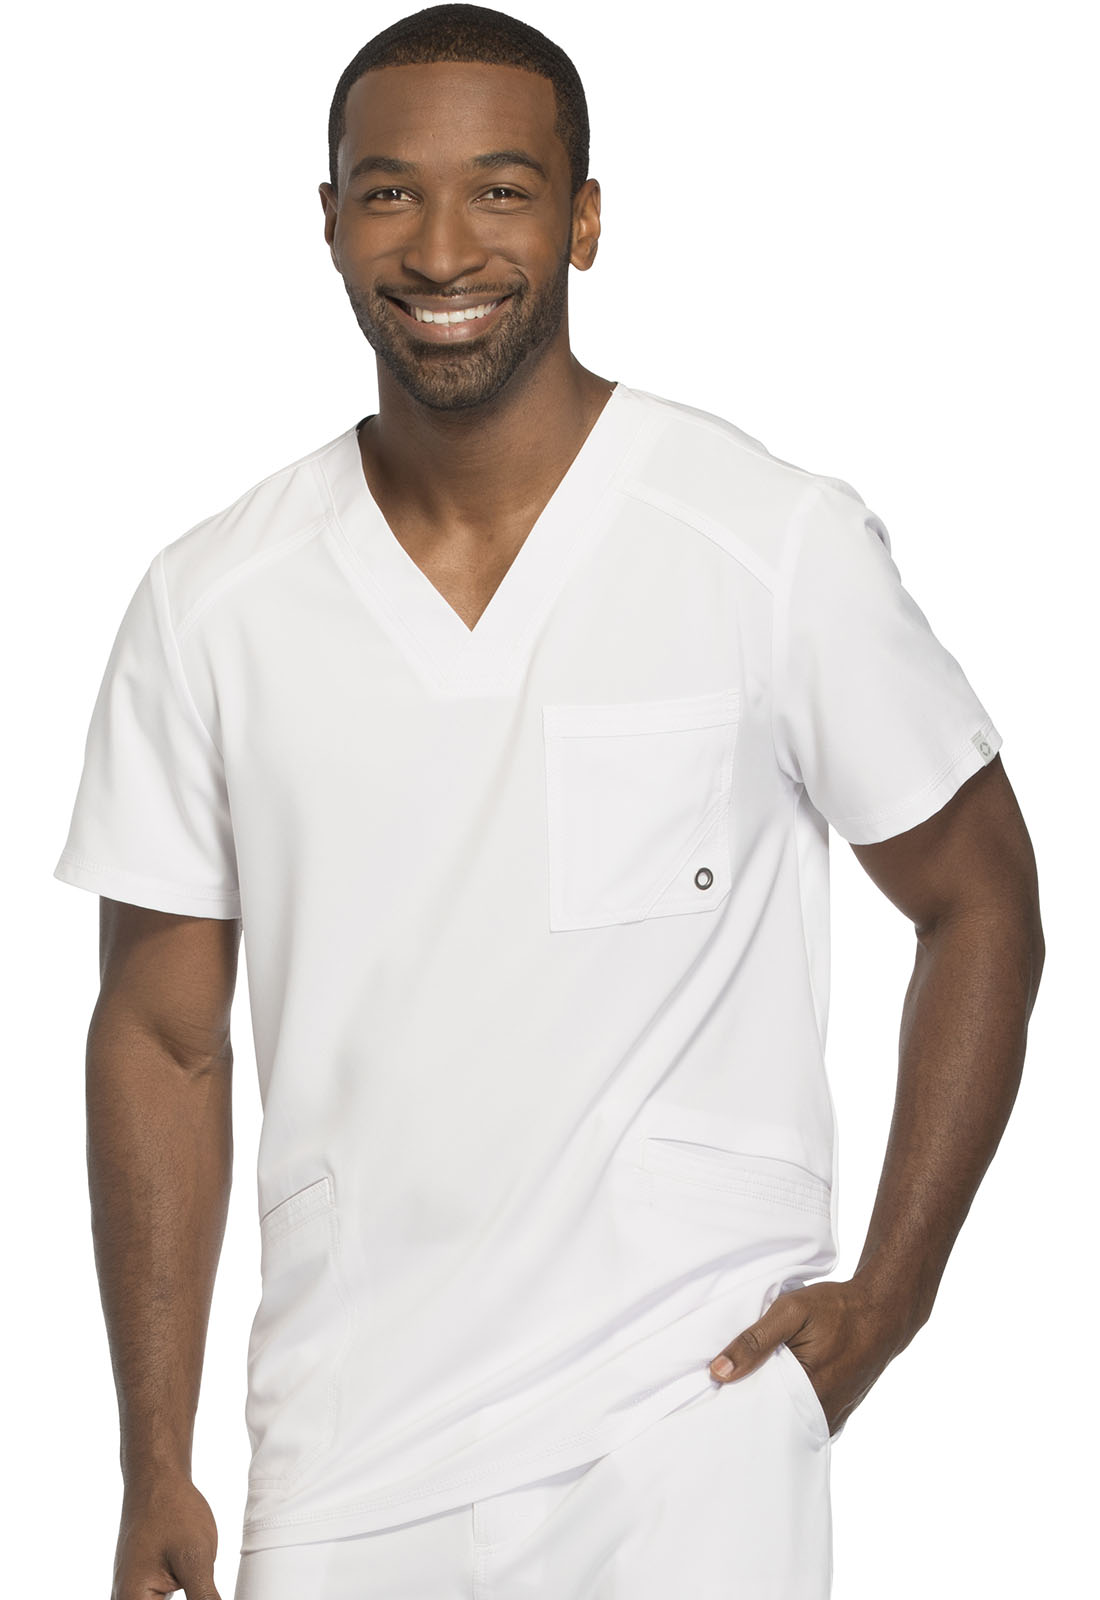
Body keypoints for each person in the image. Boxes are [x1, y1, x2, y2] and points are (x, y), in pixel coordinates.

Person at [52, 5, 1044, 1597]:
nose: (444, 247)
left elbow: (978, 894)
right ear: (328, 221)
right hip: (345, 1457)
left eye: (502, 191)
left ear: (584, 219)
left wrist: (893, 1296)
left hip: (690, 1429)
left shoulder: (761, 541)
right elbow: (163, 1036)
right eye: (391, 192)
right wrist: (152, 1457)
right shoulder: (211, 604)